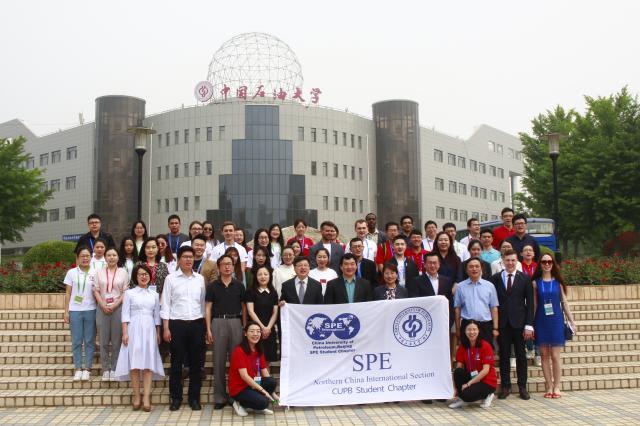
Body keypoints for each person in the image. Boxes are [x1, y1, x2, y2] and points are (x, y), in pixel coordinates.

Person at [160, 246, 206, 411]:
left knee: (196, 363)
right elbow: (165, 304)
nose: (188, 260)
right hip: (177, 324)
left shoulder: (199, 279)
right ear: (178, 259)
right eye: (185, 257)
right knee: (176, 363)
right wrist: (166, 328)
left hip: (196, 324)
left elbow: (203, 304)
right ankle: (176, 398)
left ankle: (194, 398)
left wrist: (204, 327)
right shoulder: (170, 279)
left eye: (191, 257)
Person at [114, 264, 164, 412]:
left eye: (146, 274)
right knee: (134, 365)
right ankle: (136, 396)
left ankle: (147, 397)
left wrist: (158, 332)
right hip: (133, 329)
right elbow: (125, 314)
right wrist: (125, 332)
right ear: (135, 277)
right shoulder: (129, 293)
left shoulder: (154, 294)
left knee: (148, 365)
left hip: (149, 329)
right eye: (140, 274)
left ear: (150, 276)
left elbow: (157, 316)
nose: (144, 276)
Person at [489, 249, 534, 400]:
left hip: (520, 323)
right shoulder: (495, 279)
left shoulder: (525, 278)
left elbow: (530, 303)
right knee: (504, 356)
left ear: (517, 261)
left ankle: (522, 386)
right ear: (502, 261)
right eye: (507, 260)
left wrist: (529, 325)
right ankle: (505, 386)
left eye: (513, 260)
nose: (510, 263)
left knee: (521, 356)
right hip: (502, 323)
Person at [205, 254, 247, 410]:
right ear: (219, 267)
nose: (227, 266)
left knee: (237, 362)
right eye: (224, 264)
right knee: (219, 361)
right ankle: (220, 397)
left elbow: (244, 308)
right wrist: (208, 328)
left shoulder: (239, 285)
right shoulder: (213, 286)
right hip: (218, 322)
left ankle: (236, 395)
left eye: (230, 264)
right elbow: (208, 308)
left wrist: (244, 326)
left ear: (233, 266)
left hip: (236, 322)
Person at [532, 254, 577, 399]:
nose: (546, 264)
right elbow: (534, 305)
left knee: (555, 356)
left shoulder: (558, 283)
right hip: (541, 321)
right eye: (544, 262)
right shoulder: (535, 283)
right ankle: (549, 386)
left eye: (549, 261)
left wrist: (572, 321)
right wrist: (530, 324)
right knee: (544, 356)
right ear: (540, 264)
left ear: (553, 264)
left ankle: (557, 386)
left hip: (556, 321)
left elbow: (564, 303)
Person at [228, 322, 279, 417]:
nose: (255, 334)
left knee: (271, 381)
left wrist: (273, 394)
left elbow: (265, 372)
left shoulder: (259, 350)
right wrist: (263, 390)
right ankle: (238, 402)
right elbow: (244, 376)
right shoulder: (239, 350)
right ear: (245, 333)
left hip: (253, 383)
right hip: (240, 388)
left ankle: (256, 404)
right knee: (264, 402)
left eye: (258, 331)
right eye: (252, 331)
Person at [93, 247, 128, 381]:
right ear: (105, 257)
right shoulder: (99, 272)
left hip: (118, 308)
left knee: (116, 341)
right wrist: (102, 304)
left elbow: (125, 292)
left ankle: (114, 369)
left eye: (114, 255)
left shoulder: (123, 272)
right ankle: (105, 369)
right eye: (109, 255)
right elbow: (96, 290)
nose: (111, 257)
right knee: (103, 341)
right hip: (102, 308)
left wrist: (115, 305)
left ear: (118, 257)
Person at [63, 246, 96, 381]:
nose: (85, 258)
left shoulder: (96, 272)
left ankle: (87, 368)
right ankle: (78, 368)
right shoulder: (71, 273)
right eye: (82, 256)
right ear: (77, 258)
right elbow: (68, 293)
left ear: (91, 257)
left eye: (87, 256)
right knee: (76, 340)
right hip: (75, 310)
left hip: (91, 309)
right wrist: (66, 311)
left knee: (89, 340)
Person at [448, 320, 497, 409]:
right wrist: (455, 388)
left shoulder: (485, 345)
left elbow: (485, 370)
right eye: (469, 329)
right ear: (465, 331)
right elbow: (458, 369)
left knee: (467, 395)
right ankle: (461, 399)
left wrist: (468, 384)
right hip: (472, 376)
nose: (471, 332)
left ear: (478, 331)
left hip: (486, 381)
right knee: (458, 372)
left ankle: (488, 395)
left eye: (474, 329)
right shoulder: (463, 346)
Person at [454, 258, 499, 344]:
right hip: (467, 325)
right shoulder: (460, 287)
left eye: (477, 266)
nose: (474, 269)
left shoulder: (490, 286)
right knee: (467, 351)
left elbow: (494, 308)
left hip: (485, 326)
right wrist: (458, 329)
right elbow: (457, 309)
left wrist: (495, 328)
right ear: (466, 270)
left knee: (486, 350)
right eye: (471, 267)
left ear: (481, 268)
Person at [407, 253, 455, 324]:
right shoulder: (416, 281)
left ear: (439, 264)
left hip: (443, 321)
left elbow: (450, 304)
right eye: (430, 263)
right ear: (425, 265)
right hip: (424, 321)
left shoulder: (447, 281)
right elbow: (414, 303)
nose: (432, 265)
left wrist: (449, 322)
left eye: (435, 263)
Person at [246, 266, 279, 364]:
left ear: (270, 276)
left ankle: (266, 375)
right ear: (256, 277)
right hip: (255, 329)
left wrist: (268, 328)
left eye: (265, 274)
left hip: (269, 330)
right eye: (260, 274)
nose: (263, 277)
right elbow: (250, 311)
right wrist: (262, 328)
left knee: (267, 360)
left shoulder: (273, 292)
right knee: (255, 359)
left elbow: (275, 313)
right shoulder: (250, 291)